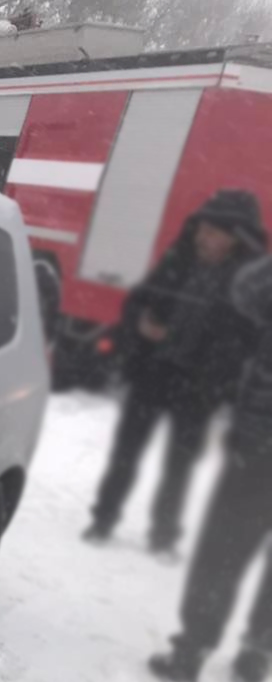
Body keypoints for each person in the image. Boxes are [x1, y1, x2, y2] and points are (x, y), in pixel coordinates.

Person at [85, 190, 266, 554]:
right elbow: (139, 300)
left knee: (179, 462)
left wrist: (219, 374)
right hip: (153, 373)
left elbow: (247, 342)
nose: (203, 237)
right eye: (202, 229)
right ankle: (104, 518)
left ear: (234, 238)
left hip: (199, 386)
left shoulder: (245, 284)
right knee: (126, 451)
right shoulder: (179, 259)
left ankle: (164, 533)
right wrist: (142, 325)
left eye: (213, 232)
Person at [149, 254, 272, 682]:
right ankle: (258, 650)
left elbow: (247, 290)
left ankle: (191, 653)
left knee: (224, 544)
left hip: (261, 445)